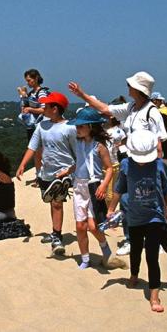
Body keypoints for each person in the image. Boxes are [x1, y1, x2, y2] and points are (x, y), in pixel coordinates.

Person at [114, 130, 167, 313]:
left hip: (155, 215)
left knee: (152, 255)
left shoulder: (159, 166)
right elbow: (119, 189)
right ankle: (134, 274)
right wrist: (111, 209)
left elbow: (166, 189)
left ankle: (154, 295)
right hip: (133, 215)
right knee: (135, 248)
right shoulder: (125, 164)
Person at [15, 91, 77, 256]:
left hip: (63, 173)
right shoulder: (42, 126)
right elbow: (33, 146)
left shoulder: (70, 127)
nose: (44, 108)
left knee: (57, 203)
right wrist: (22, 164)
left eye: (47, 106)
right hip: (45, 172)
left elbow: (77, 152)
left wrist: (72, 170)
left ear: (55, 109)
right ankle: (55, 230)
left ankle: (57, 237)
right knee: (50, 201)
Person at [68, 71, 167, 157]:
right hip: (131, 160)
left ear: (137, 89)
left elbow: (158, 146)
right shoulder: (131, 107)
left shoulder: (152, 112)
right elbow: (105, 109)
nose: (128, 87)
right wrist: (81, 94)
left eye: (130, 85)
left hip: (147, 162)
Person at [68, 107, 114, 270]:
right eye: (77, 126)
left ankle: (106, 250)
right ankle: (85, 258)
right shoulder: (78, 143)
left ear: (91, 127)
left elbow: (109, 168)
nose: (77, 129)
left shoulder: (99, 146)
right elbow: (80, 163)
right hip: (79, 185)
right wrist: (68, 171)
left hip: (94, 186)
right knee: (80, 226)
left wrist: (103, 185)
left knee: (93, 226)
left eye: (81, 126)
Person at [17, 69, 50, 186]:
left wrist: (30, 109)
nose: (28, 83)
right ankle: (39, 176)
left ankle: (43, 177)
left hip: (41, 125)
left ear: (36, 78)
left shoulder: (41, 92)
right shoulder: (31, 94)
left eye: (29, 80)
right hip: (33, 126)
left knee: (40, 152)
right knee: (36, 152)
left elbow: (44, 109)